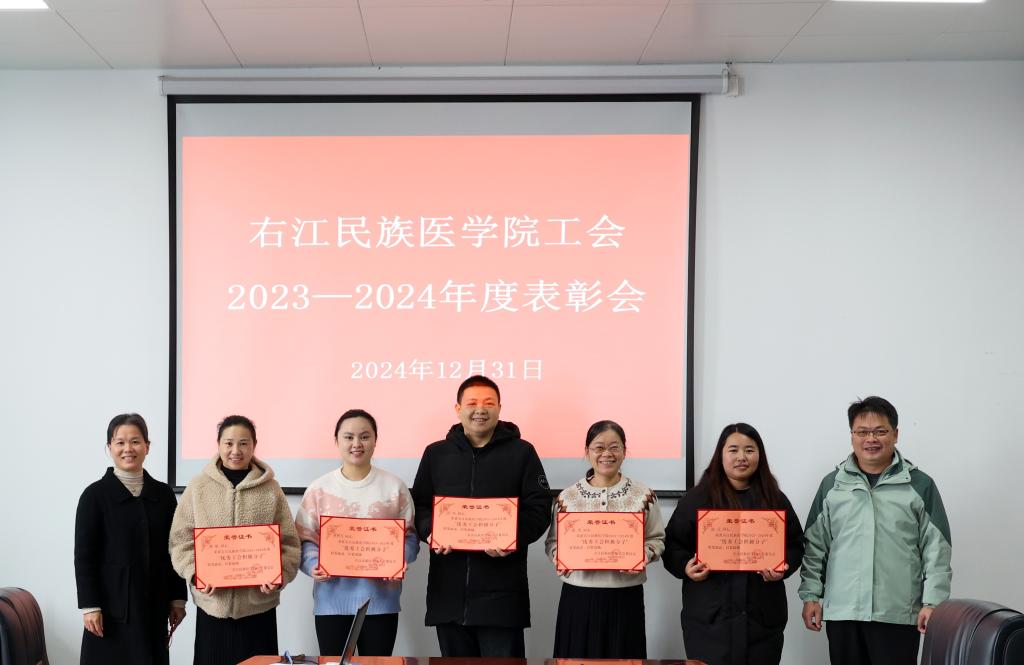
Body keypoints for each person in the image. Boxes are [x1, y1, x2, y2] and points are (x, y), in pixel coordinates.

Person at [799, 396, 952, 665]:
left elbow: (936, 550)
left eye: (880, 431)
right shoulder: (833, 485)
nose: (871, 439)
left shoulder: (919, 485)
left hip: (898, 613)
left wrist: (932, 603)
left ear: (895, 434)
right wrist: (811, 596)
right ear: (852, 436)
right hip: (844, 612)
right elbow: (815, 547)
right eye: (862, 432)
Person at [410, 375, 552, 657]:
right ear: (457, 409)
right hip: (448, 594)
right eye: (472, 403)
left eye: (489, 403)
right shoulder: (436, 454)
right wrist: (431, 532)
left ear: (499, 408)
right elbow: (420, 505)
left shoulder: (522, 452)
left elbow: (538, 507)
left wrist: (511, 538)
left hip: (502, 596)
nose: (480, 409)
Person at [663, 423, 804, 665]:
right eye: (733, 450)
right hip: (709, 620)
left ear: (760, 455)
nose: (741, 457)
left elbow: (795, 544)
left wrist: (784, 567)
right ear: (720, 454)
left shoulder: (775, 499)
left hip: (761, 619)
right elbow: (673, 545)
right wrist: (686, 566)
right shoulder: (696, 499)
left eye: (749, 450)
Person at [169, 415, 300, 665]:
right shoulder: (198, 487)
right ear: (218, 444)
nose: (235, 451)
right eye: (228, 443)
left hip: (259, 608)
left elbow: (290, 544)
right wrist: (196, 574)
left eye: (243, 443)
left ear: (254, 445)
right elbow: (180, 541)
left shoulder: (271, 489)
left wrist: (278, 575)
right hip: (213, 607)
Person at [294, 409, 419, 656]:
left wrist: (398, 560)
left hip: (381, 602)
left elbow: (411, 537)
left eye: (364, 436)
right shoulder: (319, 489)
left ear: (375, 440)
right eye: (348, 437)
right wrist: (313, 564)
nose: (356, 444)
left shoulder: (394, 487)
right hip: (331, 602)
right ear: (336, 441)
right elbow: (304, 539)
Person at [545, 420, 665, 658]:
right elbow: (552, 543)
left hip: (625, 598)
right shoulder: (567, 497)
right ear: (587, 451)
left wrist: (642, 555)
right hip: (578, 598)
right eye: (599, 447)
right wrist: (561, 558)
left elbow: (657, 539)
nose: (607, 454)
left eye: (614, 447)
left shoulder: (644, 495)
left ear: (624, 451)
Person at [74, 413, 187, 665]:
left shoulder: (163, 495)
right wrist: (90, 606)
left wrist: (177, 598)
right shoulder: (94, 496)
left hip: (154, 605)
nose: (128, 449)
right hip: (109, 610)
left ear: (147, 446)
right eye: (120, 442)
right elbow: (84, 557)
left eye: (135, 441)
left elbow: (175, 549)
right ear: (109, 447)